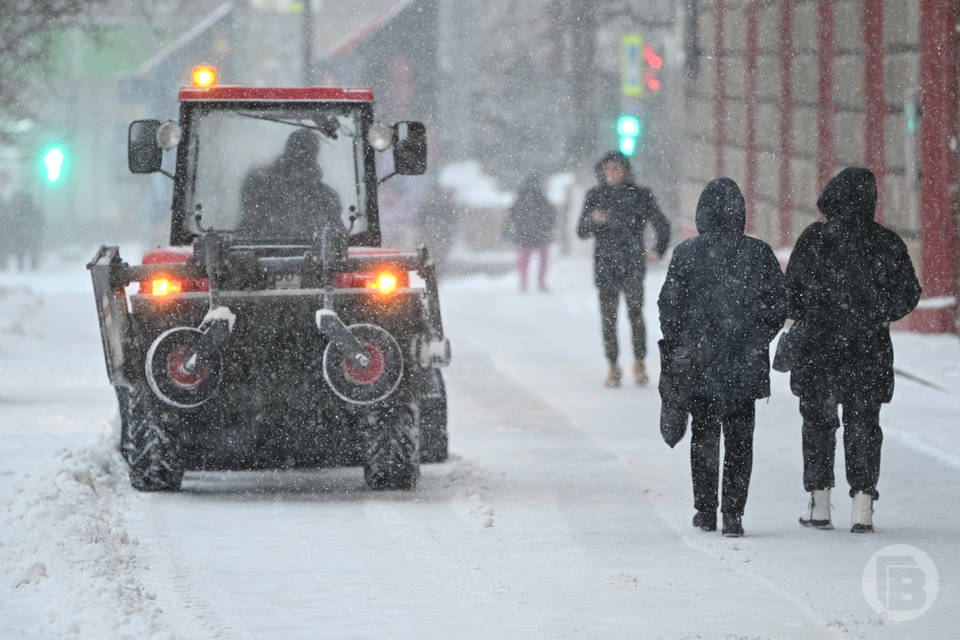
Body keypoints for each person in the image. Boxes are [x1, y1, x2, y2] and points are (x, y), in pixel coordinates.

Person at [786, 167, 921, 533]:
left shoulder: (815, 238)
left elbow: (791, 292)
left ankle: (819, 504)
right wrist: (877, 313)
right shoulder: (886, 243)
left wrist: (812, 311)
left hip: (818, 348)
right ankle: (863, 506)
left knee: (818, 423)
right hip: (868, 349)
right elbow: (909, 293)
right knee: (863, 424)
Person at [658, 178, 787, 537]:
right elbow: (779, 304)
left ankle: (705, 510)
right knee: (740, 440)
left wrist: (682, 341)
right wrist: (756, 337)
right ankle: (734, 514)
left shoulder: (686, 253)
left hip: (700, 364)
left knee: (704, 437)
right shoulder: (758, 253)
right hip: (745, 364)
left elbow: (668, 306)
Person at [577, 151, 670, 387]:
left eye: (617, 169)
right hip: (605, 264)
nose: (612, 174)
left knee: (635, 315)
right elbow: (581, 231)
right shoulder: (595, 196)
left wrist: (658, 249)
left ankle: (639, 362)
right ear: (602, 172)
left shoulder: (640, 195)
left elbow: (661, 223)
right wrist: (593, 220)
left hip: (632, 263)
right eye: (608, 169)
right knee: (608, 318)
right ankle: (613, 366)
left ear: (626, 171)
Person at [239, 128, 344, 240]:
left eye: (306, 153)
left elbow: (337, 239)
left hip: (313, 255)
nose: (301, 158)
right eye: (298, 151)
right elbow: (248, 231)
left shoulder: (326, 197)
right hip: (266, 253)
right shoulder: (262, 187)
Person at [502, 173, 556, 292]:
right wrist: (546, 227)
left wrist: (508, 230)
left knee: (524, 261)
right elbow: (551, 215)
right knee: (541, 260)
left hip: (525, 235)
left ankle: (524, 284)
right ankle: (539, 283)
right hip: (538, 235)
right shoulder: (541, 198)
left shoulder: (521, 198)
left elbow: (511, 216)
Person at [8, 188, 44, 271]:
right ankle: (33, 264)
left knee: (21, 251)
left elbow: (13, 222)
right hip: (30, 234)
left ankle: (21, 265)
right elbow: (39, 221)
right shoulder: (33, 209)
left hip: (21, 234)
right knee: (31, 250)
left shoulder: (18, 210)